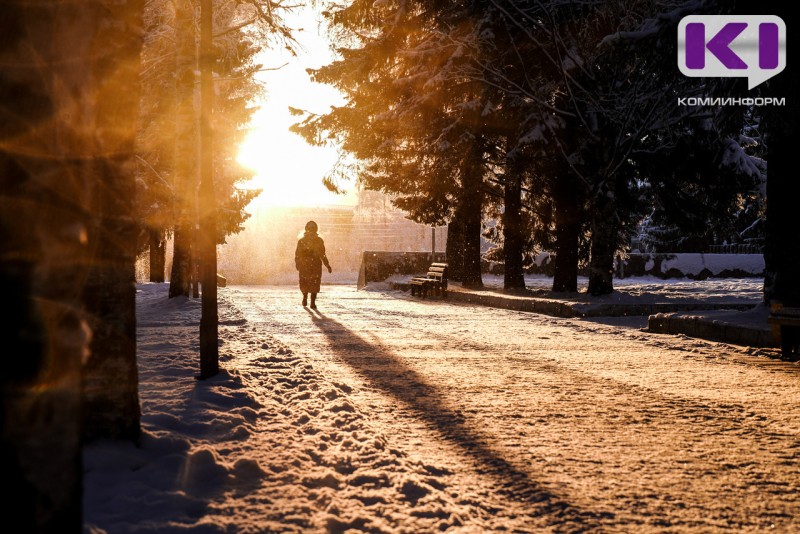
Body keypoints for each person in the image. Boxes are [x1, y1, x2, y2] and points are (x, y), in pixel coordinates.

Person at [295, 220, 332, 309]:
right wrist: (327, 265)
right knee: (314, 283)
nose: (311, 230)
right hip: (314, 265)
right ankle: (311, 301)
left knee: (305, 282)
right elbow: (322, 254)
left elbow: (297, 254)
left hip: (306, 265)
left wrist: (298, 263)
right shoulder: (318, 241)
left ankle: (306, 298)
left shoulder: (302, 241)